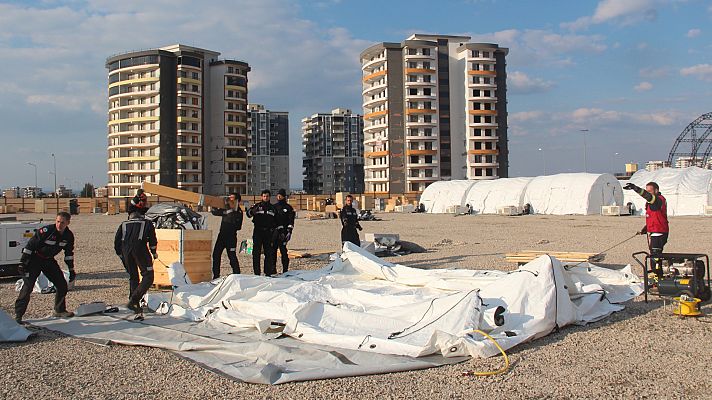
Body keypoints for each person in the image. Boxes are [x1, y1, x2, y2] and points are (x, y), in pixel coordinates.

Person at [15, 212, 76, 323]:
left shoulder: (68, 236)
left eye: (62, 222)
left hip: (49, 261)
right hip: (34, 260)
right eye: (57, 221)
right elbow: (30, 246)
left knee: (62, 285)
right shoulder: (47, 231)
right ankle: (18, 315)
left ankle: (59, 310)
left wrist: (71, 269)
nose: (59, 225)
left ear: (68, 223)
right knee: (28, 287)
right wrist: (23, 263)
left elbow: (69, 254)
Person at [114, 210, 158, 313]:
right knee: (148, 276)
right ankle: (134, 300)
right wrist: (154, 252)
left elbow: (116, 242)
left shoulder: (123, 224)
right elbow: (152, 239)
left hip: (125, 251)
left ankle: (134, 303)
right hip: (140, 249)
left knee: (133, 276)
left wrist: (122, 256)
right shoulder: (147, 223)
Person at [624, 181, 668, 276]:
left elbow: (647, 196)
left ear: (656, 191)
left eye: (650, 191)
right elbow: (652, 219)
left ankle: (658, 277)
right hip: (653, 231)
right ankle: (658, 276)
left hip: (659, 233)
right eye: (647, 190)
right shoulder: (651, 203)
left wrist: (636, 188)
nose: (648, 193)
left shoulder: (658, 200)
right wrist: (644, 230)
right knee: (654, 255)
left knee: (655, 257)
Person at [210, 193, 243, 279]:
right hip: (222, 236)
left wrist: (232, 213)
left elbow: (238, 227)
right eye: (229, 198)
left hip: (231, 237)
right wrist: (214, 204)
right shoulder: (226, 208)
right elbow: (214, 212)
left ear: (237, 201)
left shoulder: (239, 212)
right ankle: (216, 276)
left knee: (232, 256)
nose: (230, 200)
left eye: (232, 199)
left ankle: (237, 274)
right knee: (216, 255)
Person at [247, 190, 277, 276]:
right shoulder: (257, 206)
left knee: (268, 253)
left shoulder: (272, 208)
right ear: (261, 197)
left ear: (269, 197)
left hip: (268, 233)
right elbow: (248, 214)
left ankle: (267, 273)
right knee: (256, 253)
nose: (266, 198)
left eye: (267, 196)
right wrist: (253, 211)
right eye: (264, 196)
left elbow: (276, 221)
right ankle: (257, 273)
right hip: (258, 232)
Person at [271, 189, 295, 274]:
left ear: (284, 196)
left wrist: (289, 231)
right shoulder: (274, 207)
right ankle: (273, 269)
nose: (278, 197)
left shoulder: (288, 208)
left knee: (283, 251)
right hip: (275, 232)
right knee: (273, 251)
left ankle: (285, 269)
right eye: (277, 195)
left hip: (284, 233)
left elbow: (291, 220)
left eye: (280, 195)